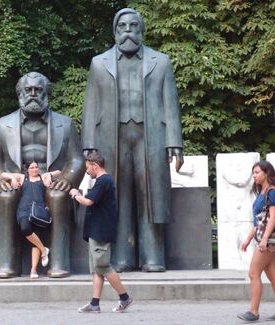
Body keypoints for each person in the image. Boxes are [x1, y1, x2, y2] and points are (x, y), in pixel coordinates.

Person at [81, 7, 184, 272]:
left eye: (133, 26)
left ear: (141, 30)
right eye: (122, 27)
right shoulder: (99, 63)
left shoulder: (160, 61)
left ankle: (153, 257)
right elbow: (91, 105)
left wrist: (175, 140)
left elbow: (170, 102)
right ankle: (123, 257)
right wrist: (89, 144)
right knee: (117, 195)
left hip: (151, 136)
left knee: (151, 195)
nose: (128, 31)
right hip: (111, 136)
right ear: (115, 31)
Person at [0, 72, 84, 278]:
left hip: (51, 181)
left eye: (38, 90)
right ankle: (7, 264)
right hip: (18, 180)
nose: (32, 94)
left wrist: (67, 178)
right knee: (5, 196)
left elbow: (76, 160)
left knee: (57, 196)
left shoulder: (64, 124)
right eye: (27, 90)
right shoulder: (3, 125)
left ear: (46, 93)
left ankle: (59, 263)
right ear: (19, 94)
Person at [69, 152, 133, 313]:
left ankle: (125, 298)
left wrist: (75, 194)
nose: (87, 172)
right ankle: (94, 304)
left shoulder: (104, 180)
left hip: (101, 231)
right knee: (97, 268)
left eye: (88, 168)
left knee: (103, 266)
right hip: (95, 230)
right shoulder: (101, 181)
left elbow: (88, 201)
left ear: (94, 165)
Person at [1, 160, 62, 278]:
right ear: (27, 169)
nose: (35, 169)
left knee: (36, 238)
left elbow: (59, 172)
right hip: (24, 209)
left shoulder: (43, 177)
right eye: (32, 167)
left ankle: (33, 270)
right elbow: (3, 174)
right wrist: (12, 178)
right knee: (25, 228)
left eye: (36, 167)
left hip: (38, 211)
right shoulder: (23, 177)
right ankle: (44, 250)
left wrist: (49, 175)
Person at [238, 160, 275, 322]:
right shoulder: (262, 192)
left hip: (268, 241)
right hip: (263, 239)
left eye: (257, 172)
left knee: (253, 273)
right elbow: (259, 221)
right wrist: (248, 239)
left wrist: (265, 239)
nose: (254, 175)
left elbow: (273, 218)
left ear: (266, 173)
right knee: (273, 277)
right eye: (253, 172)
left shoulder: (272, 192)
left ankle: (254, 312)